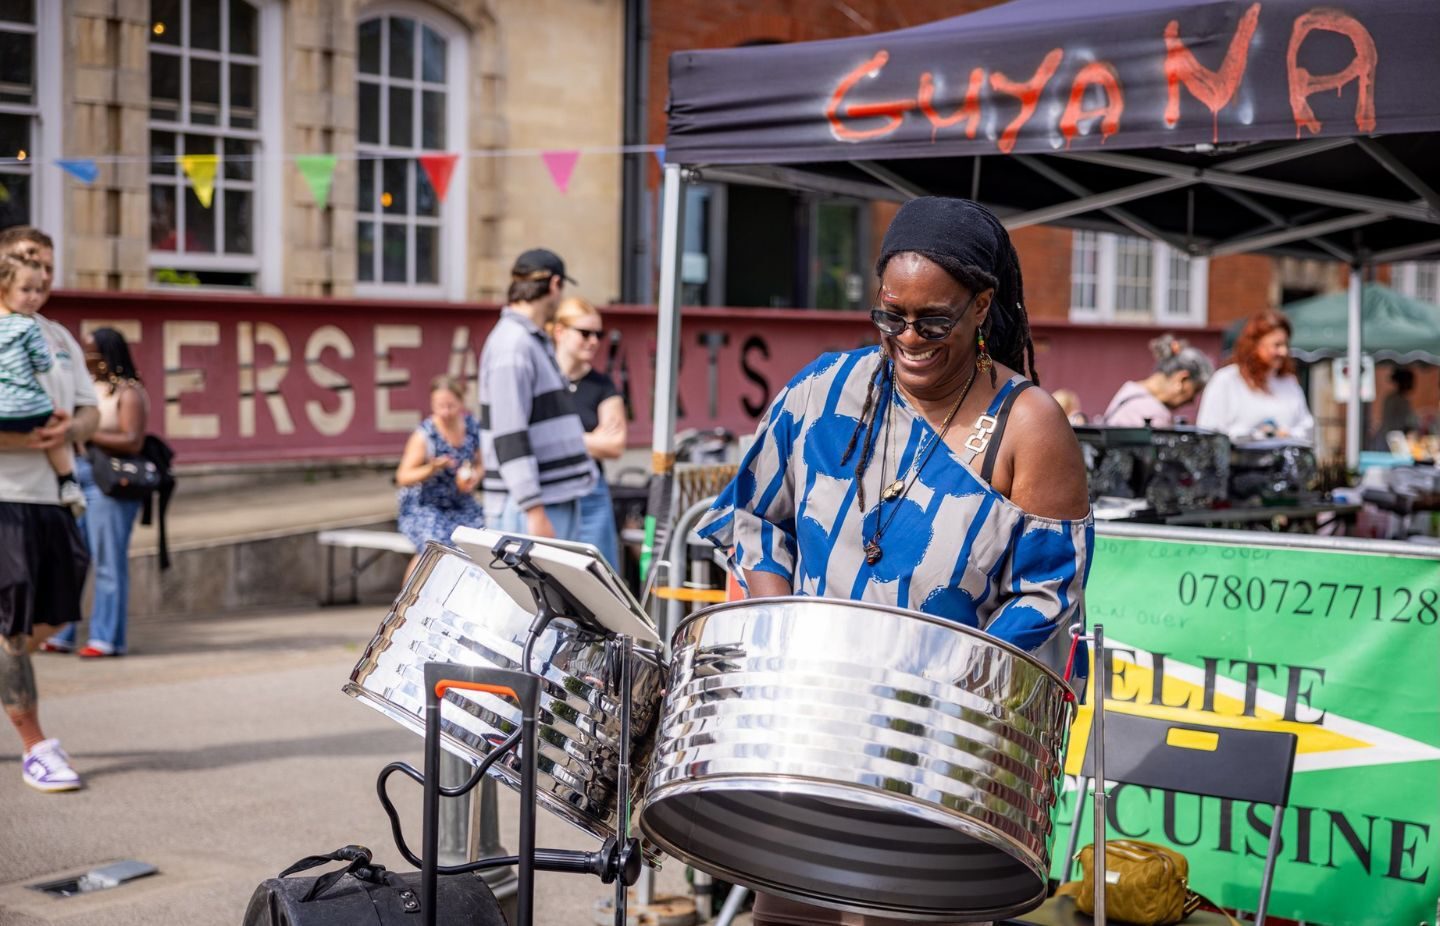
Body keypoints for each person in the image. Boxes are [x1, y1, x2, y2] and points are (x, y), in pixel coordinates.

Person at [696, 197, 1093, 926]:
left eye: (933, 320)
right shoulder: (826, 390)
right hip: (811, 723)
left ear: (981, 306)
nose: (908, 337)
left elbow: (1046, 595)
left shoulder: (1027, 426)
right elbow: (752, 514)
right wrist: (782, 623)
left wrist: (934, 687)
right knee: (789, 915)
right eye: (890, 316)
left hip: (932, 747)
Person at [0, 225, 95, 791]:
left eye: (49, 270)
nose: (41, 278)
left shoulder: (57, 334)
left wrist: (71, 426)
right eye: (30, 263)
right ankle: (35, 745)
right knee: (13, 627)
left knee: (61, 609)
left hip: (55, 498)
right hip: (4, 496)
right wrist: (17, 439)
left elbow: (91, 412)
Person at [41, 328, 150, 657]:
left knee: (107, 562)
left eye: (92, 353)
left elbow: (133, 440)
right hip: (77, 475)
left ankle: (106, 638)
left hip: (110, 483)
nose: (87, 360)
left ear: (108, 355)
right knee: (71, 558)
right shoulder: (85, 390)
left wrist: (86, 433)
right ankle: (62, 632)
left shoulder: (128, 393)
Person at [478, 249, 596, 540]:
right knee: (526, 588)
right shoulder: (513, 344)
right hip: (529, 508)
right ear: (555, 284)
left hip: (543, 501)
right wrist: (534, 510)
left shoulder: (528, 340)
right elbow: (509, 434)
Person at [0, 256, 84, 514]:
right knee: (53, 429)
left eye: (38, 290)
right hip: (27, 402)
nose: (34, 297)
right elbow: (41, 363)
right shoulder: (28, 326)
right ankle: (67, 480)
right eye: (26, 290)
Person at [550, 297, 625, 568]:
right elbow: (530, 437)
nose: (593, 341)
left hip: (591, 492)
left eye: (598, 334)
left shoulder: (601, 384)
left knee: (599, 578)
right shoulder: (543, 379)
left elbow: (615, 446)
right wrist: (591, 438)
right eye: (585, 333)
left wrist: (556, 437)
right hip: (550, 490)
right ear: (560, 331)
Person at [395, 374, 484, 575]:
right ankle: (408, 603)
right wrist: (431, 468)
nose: (445, 412)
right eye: (439, 406)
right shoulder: (425, 434)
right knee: (435, 545)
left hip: (460, 502)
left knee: (482, 540)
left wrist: (474, 477)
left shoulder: (472, 427)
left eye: (450, 405)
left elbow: (480, 463)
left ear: (461, 402)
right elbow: (403, 477)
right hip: (426, 505)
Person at [1197, 309, 1314, 444]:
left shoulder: (1289, 383)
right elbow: (1209, 433)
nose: (1284, 352)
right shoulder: (1226, 380)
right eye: (1277, 345)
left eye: (1286, 345)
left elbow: (1307, 428)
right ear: (1255, 345)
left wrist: (1287, 435)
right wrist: (1256, 436)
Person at [1102, 334, 1215, 428]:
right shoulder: (1153, 413)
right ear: (1182, 379)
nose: (1191, 401)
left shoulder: (1129, 389)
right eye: (1195, 391)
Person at [1375, 367, 1419, 447]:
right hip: (1389, 441)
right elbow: (1397, 424)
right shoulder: (1395, 400)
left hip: (1392, 439)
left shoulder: (1399, 399)